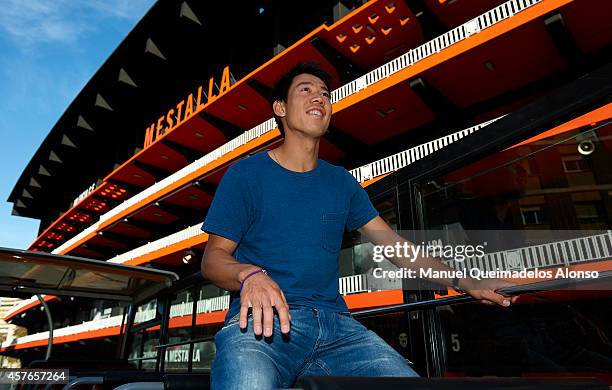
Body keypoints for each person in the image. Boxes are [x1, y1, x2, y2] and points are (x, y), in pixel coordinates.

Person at [201, 62, 517, 389]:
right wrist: (248, 274)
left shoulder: (341, 183)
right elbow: (213, 259)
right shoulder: (246, 175)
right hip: (263, 325)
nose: (319, 99)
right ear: (280, 108)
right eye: (305, 90)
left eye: (325, 94)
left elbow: (396, 247)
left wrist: (463, 281)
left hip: (339, 330)